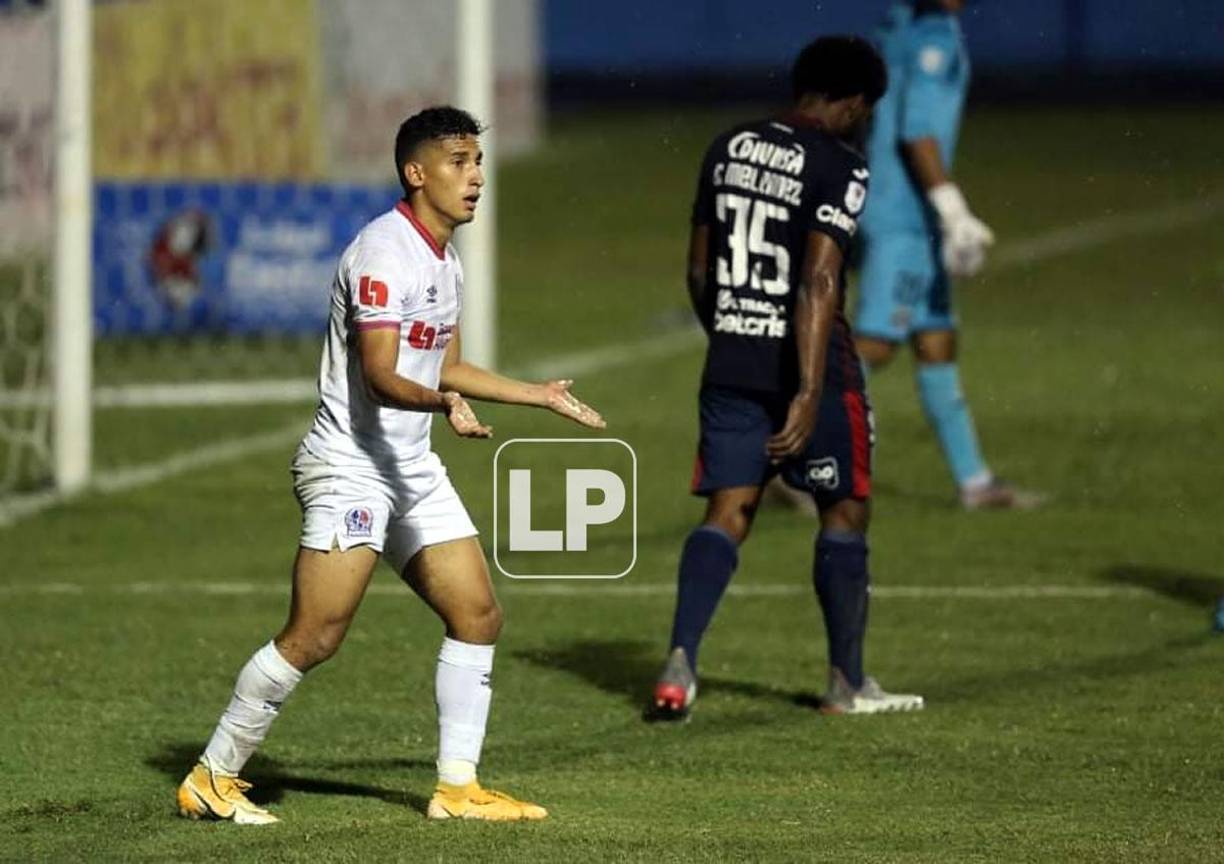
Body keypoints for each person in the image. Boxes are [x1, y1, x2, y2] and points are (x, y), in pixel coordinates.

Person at [176, 106, 604, 824]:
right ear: (416, 172)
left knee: (477, 614)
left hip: (408, 466)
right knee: (316, 634)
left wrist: (537, 394)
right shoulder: (384, 252)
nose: (475, 177)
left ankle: (457, 790)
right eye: (459, 162)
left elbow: (450, 364)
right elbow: (379, 373)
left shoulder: (444, 258)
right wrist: (442, 403)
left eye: (477, 162)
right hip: (350, 466)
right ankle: (211, 776)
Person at [651, 37, 924, 720]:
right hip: (816, 368)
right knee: (845, 510)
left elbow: (696, 269)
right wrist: (805, 391)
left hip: (732, 358)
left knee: (728, 511)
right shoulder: (840, 163)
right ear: (855, 103)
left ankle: (679, 665)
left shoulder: (728, 146)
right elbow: (821, 278)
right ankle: (846, 683)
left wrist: (733, 335)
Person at [855, 0, 1039, 509]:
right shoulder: (933, 37)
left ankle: (975, 482)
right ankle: (777, 459)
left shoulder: (892, 24)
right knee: (874, 345)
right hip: (904, 217)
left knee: (935, 339)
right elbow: (918, 133)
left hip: (893, 205)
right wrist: (953, 213)